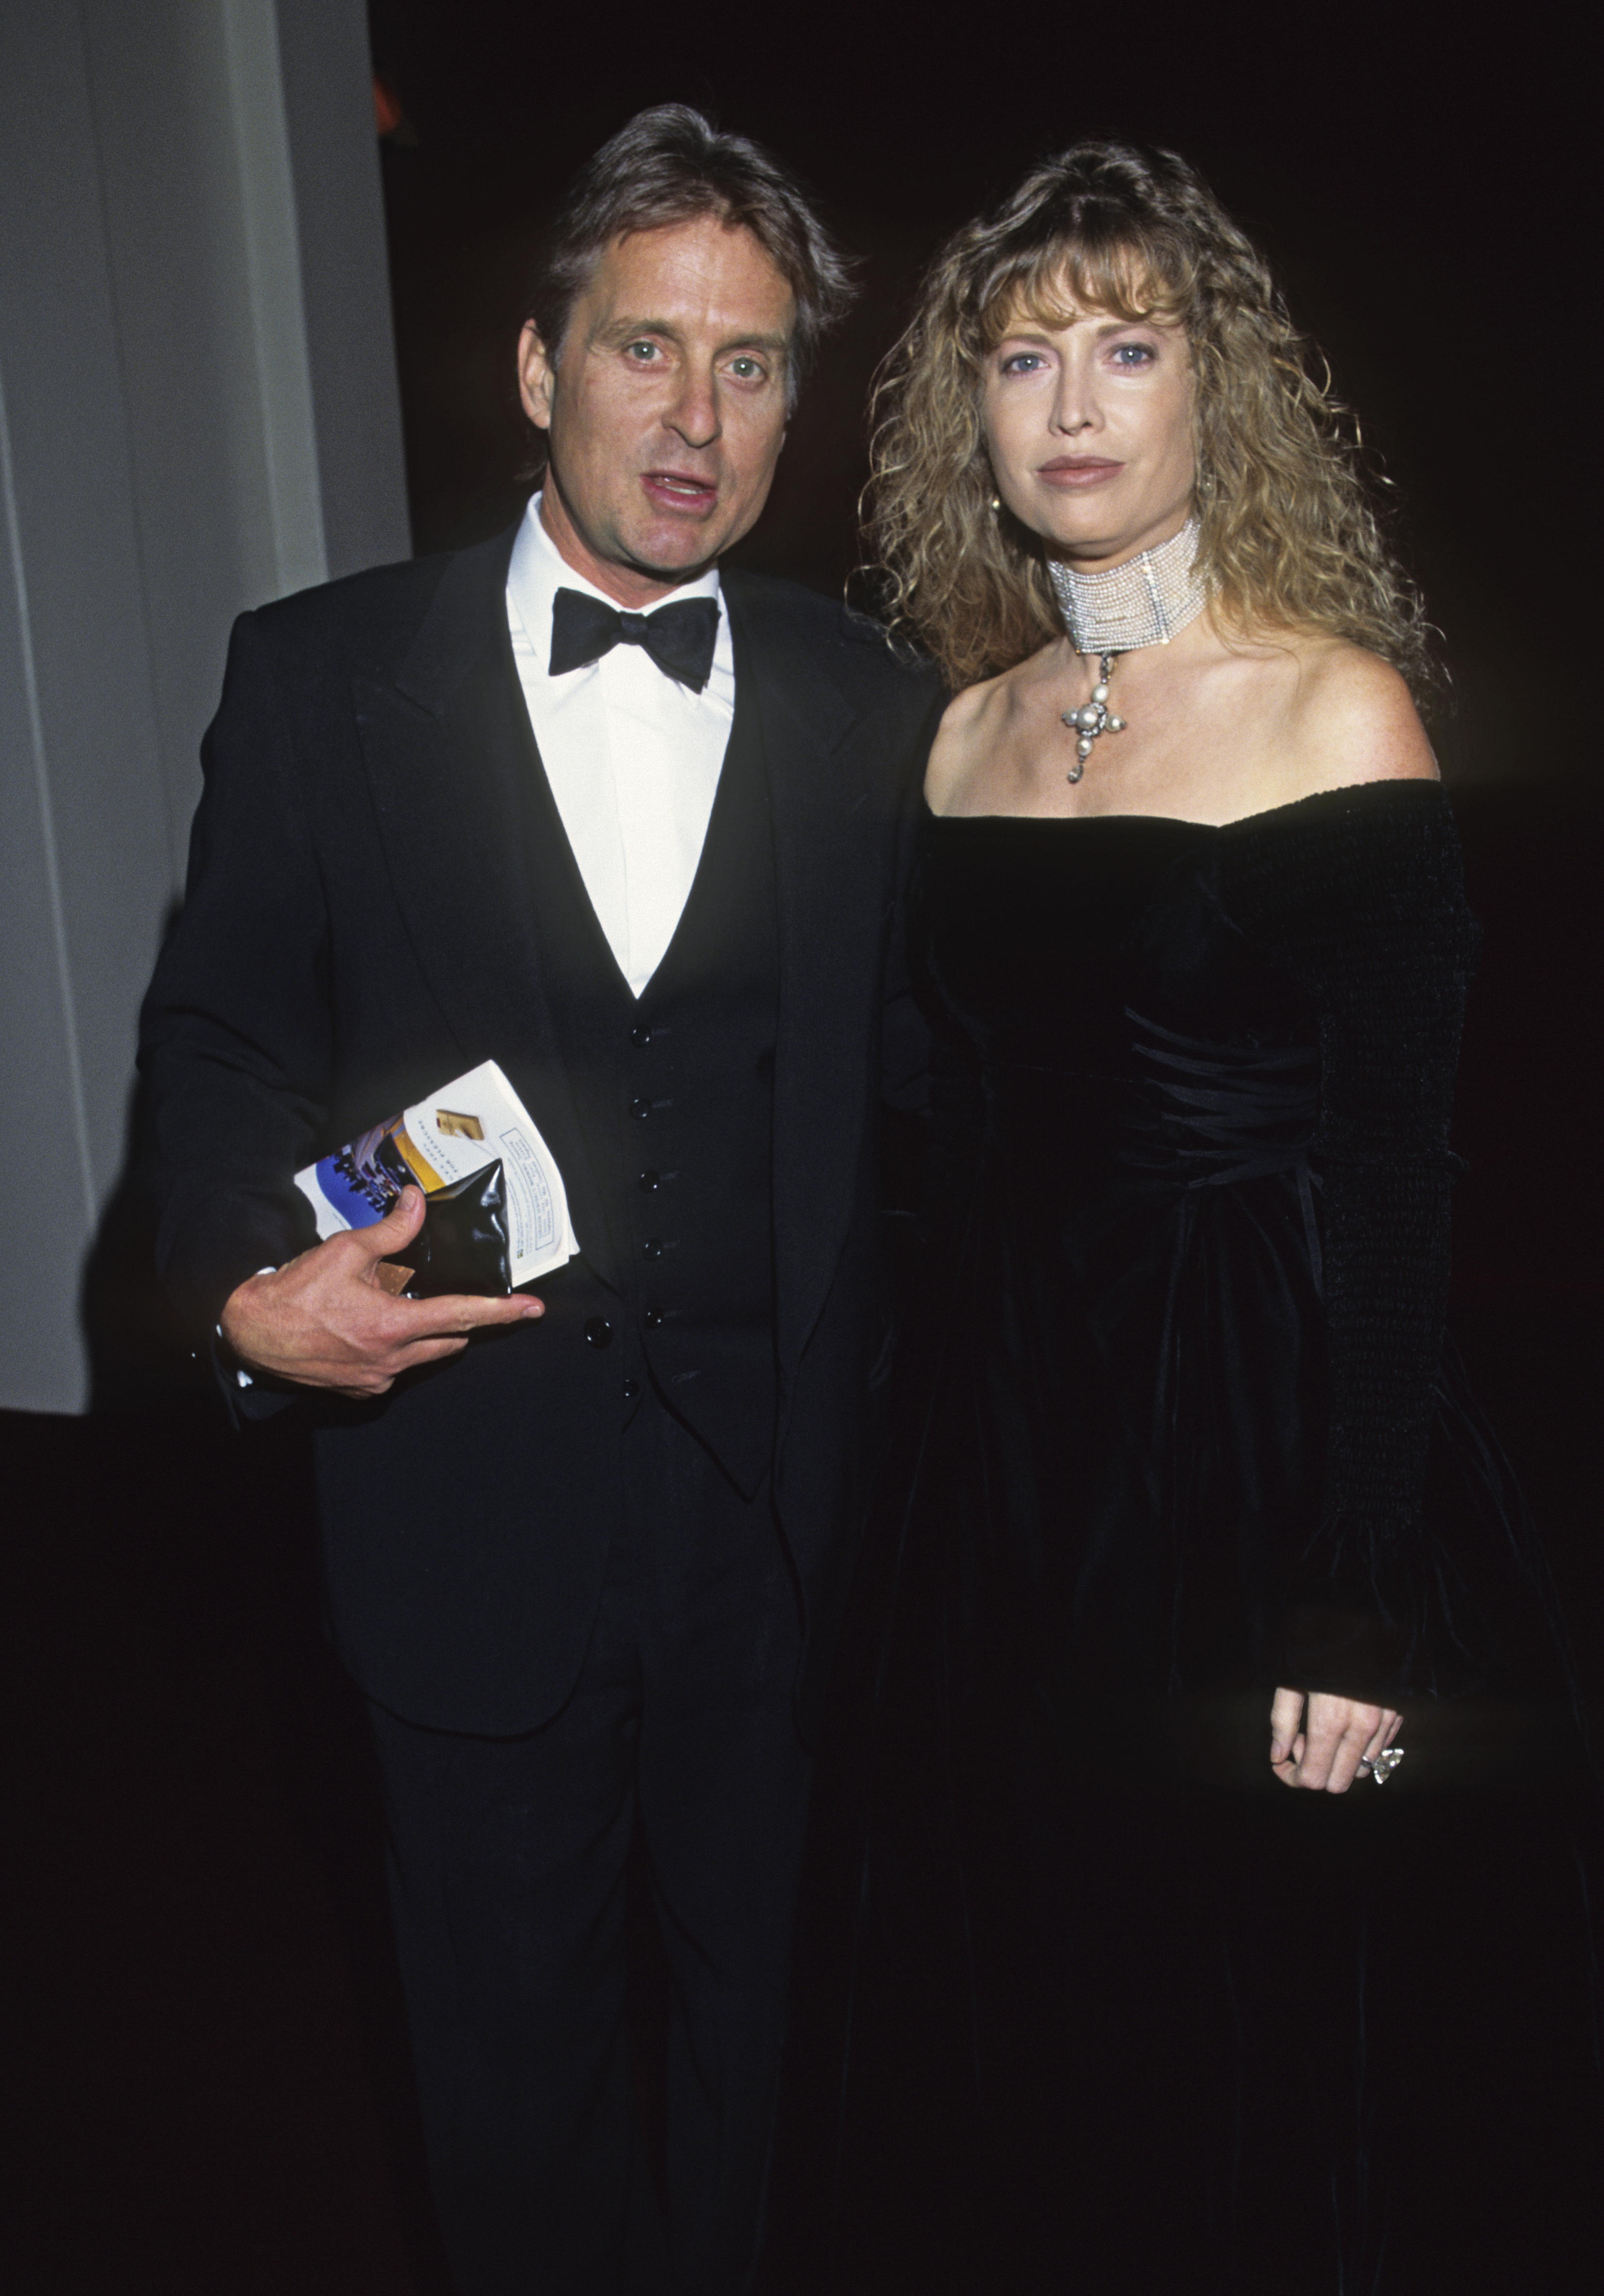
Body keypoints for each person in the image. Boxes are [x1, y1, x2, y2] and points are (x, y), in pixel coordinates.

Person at [768, 140, 1601, 2294]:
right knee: (1024, 1966)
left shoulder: (1339, 707)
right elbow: (932, 1119)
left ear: (1216, 390)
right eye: (1024, 355)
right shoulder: (962, 733)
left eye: (1128, 347)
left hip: (1255, 1413)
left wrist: (1358, 1582)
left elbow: (1407, 1177)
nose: (1072, 402)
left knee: (1240, 1988)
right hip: (1007, 1444)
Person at [138, 106, 938, 2296]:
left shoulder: (883, 709)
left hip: (787, 1546)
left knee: (780, 2082)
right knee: (509, 2082)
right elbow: (216, 1045)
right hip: (462, 1510)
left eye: (754, 363)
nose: (695, 418)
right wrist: (239, 1297)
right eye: (647, 347)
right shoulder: (317, 680)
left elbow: (950, 1112)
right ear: (534, 364)